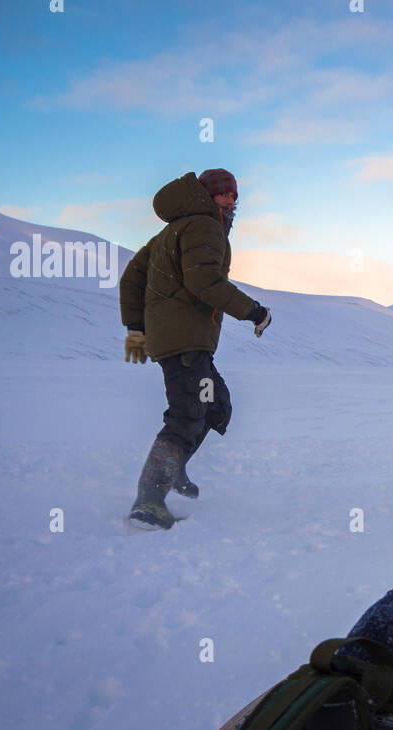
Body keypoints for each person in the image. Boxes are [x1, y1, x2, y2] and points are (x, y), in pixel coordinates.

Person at [119, 168, 273, 529]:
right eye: (224, 194)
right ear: (206, 195)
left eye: (235, 195)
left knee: (214, 404)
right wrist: (254, 311)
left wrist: (137, 330)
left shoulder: (170, 232)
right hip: (185, 342)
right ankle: (148, 500)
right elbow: (205, 282)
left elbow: (131, 278)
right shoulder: (203, 227)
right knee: (188, 415)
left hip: (182, 342)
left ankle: (173, 468)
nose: (231, 201)